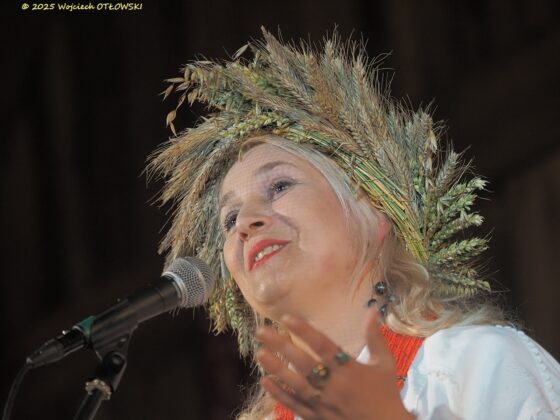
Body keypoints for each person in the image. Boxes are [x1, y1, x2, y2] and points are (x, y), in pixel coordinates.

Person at [148, 28, 560, 419]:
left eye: (280, 186)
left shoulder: (473, 364)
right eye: (230, 218)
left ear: (374, 211)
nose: (246, 223)